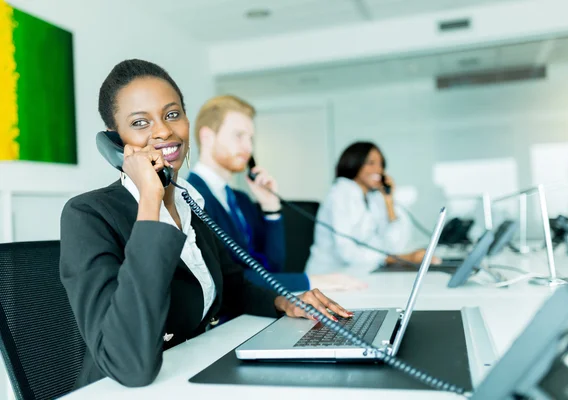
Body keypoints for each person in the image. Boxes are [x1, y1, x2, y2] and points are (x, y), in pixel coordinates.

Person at [59, 59, 352, 390]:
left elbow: (231, 288)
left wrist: (283, 301)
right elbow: (131, 367)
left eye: (172, 114)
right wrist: (151, 201)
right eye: (140, 122)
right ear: (114, 141)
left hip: (194, 374)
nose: (164, 131)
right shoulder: (88, 214)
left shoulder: (189, 204)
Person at [187, 95, 367, 292]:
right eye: (239, 136)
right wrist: (309, 282)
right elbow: (224, 278)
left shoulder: (242, 200)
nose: (248, 147)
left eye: (251, 138)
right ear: (207, 137)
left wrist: (271, 208)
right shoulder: (190, 197)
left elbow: (272, 267)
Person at [306, 141, 436, 274]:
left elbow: (394, 245)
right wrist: (396, 259)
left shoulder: (372, 198)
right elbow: (347, 253)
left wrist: (389, 202)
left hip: (363, 272)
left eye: (381, 164)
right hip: (328, 277)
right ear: (354, 163)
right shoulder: (340, 194)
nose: (379, 170)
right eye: (371, 163)